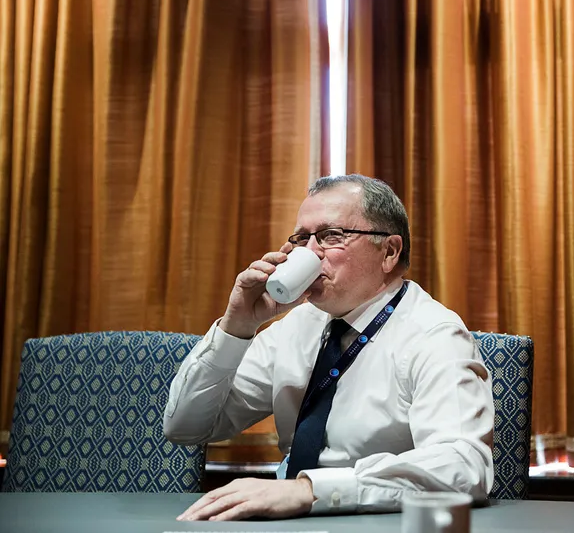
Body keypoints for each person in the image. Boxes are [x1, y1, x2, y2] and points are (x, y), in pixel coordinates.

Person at [163, 174, 494, 521]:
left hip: (376, 524)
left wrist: (311, 490)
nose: (308, 253)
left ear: (389, 252)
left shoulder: (434, 335)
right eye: (302, 239)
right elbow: (187, 427)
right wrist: (237, 326)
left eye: (330, 236)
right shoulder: (297, 325)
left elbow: (463, 467)